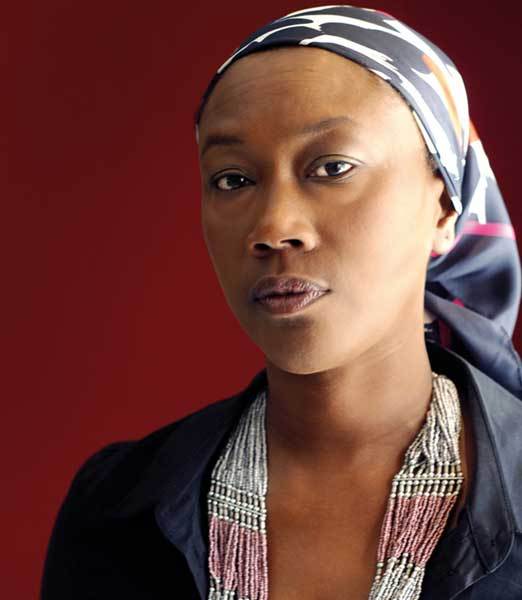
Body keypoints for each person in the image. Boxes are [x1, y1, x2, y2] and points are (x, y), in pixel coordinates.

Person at [41, 5, 522, 599]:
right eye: (232, 179)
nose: (274, 227)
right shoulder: (113, 510)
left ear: (445, 206)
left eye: (332, 167)